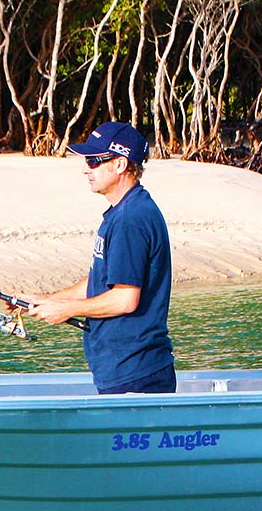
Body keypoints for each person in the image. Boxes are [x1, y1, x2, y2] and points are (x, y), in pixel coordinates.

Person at [20, 122, 175, 394]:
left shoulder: (130, 219)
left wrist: (66, 311)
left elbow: (125, 299)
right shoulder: (123, 213)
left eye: (93, 161)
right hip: (121, 368)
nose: (85, 169)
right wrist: (48, 300)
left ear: (120, 165)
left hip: (135, 372)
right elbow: (102, 280)